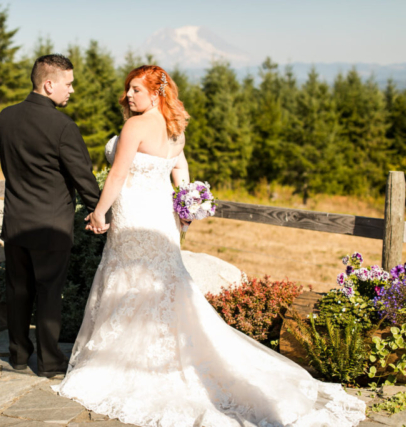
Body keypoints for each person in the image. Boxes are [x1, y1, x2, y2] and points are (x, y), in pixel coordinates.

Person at [53, 65, 366, 426]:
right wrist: (186, 204)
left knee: (132, 282)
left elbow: (119, 174)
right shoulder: (175, 128)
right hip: (160, 219)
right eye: (128, 90)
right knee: (162, 285)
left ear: (156, 93)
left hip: (135, 218)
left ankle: (128, 360)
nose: (129, 96)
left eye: (136, 90)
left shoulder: (135, 126)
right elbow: (180, 169)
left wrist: (99, 213)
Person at [0, 54, 109, 378]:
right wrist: (99, 211)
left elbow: (10, 168)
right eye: (68, 83)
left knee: (17, 290)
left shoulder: (6, 117)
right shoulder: (62, 126)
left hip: (16, 221)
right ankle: (49, 361)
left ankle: (17, 355)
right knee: (48, 293)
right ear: (49, 84)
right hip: (51, 226)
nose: (71, 90)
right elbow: (82, 177)